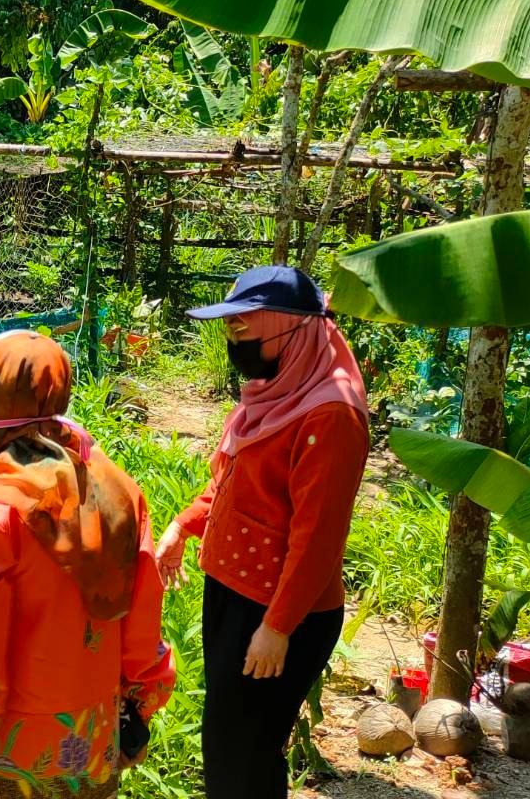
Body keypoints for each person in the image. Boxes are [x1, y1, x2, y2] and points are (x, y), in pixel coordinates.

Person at [0, 331, 174, 799]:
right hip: (92, 746)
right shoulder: (119, 491)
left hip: (5, 757)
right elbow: (142, 628)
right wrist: (137, 711)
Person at [154, 265, 369, 798]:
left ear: (287, 327)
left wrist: (278, 626)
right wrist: (184, 526)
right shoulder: (275, 393)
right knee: (231, 740)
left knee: (244, 747)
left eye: (242, 330)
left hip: (278, 611)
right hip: (234, 589)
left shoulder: (330, 414)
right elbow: (233, 484)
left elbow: (318, 535)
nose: (235, 344)